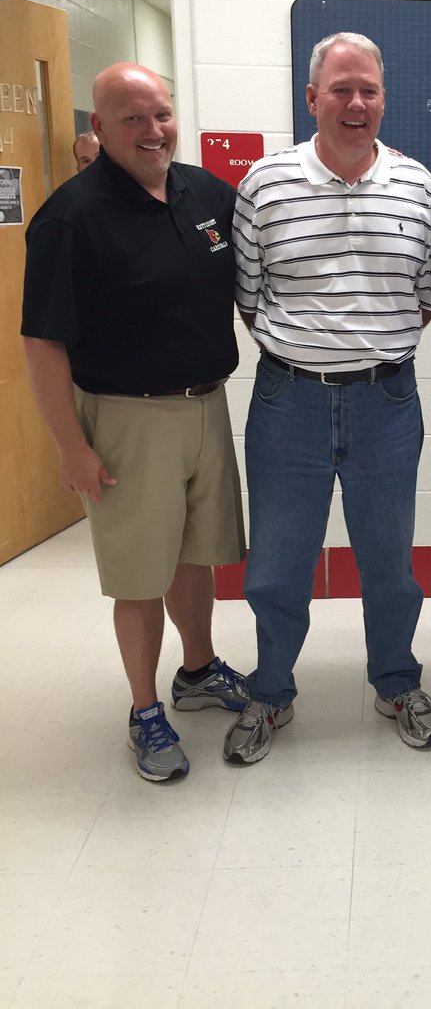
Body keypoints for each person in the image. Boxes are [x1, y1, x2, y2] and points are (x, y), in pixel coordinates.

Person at [225, 32, 431, 765]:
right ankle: (270, 692)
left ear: (383, 99)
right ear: (312, 98)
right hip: (286, 403)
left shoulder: (420, 188)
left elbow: (428, 298)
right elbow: (250, 298)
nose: (356, 104)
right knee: (275, 566)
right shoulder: (264, 186)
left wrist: (370, 350)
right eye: (340, 89)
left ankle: (396, 682)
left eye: (369, 91)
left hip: (385, 405)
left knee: (390, 562)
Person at [22, 63, 248, 784]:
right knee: (138, 575)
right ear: (99, 128)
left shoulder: (207, 193)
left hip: (207, 407)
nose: (153, 131)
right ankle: (144, 709)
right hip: (126, 418)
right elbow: (43, 343)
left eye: (161, 114)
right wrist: (71, 448)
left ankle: (198, 668)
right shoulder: (70, 218)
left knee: (194, 555)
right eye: (132, 119)